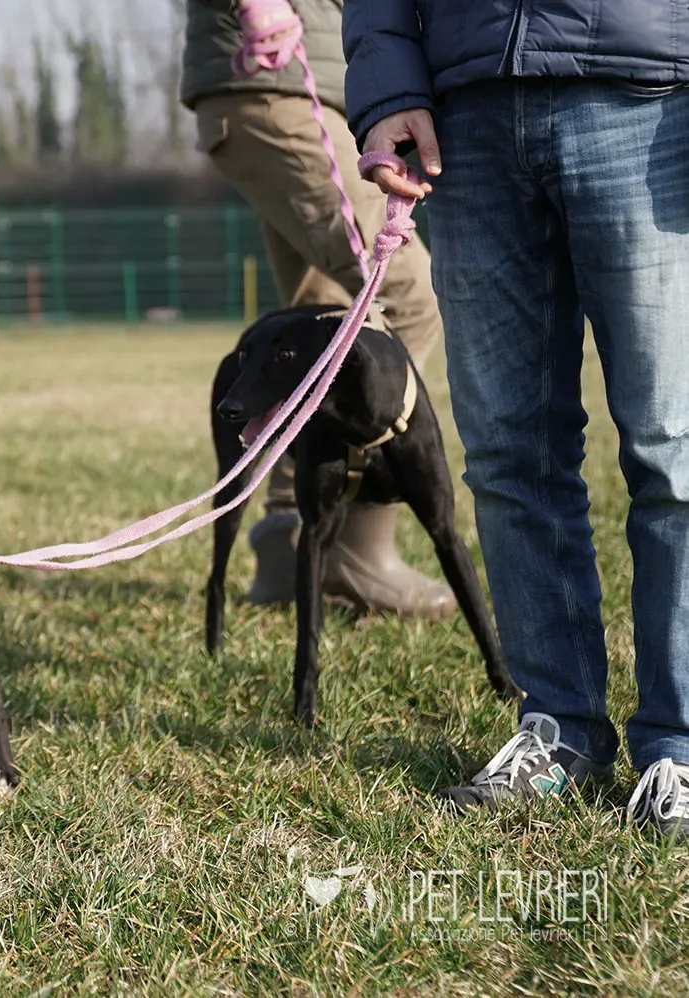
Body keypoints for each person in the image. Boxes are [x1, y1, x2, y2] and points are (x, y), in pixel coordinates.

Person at [347, 2, 689, 837]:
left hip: (647, 95)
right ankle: (559, 730)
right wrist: (388, 80)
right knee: (507, 455)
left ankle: (679, 747)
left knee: (671, 449)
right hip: (467, 114)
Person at [181, 0, 453, 618]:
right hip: (274, 77)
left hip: (289, 85)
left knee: (323, 319)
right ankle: (355, 550)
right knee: (407, 294)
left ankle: (290, 543)